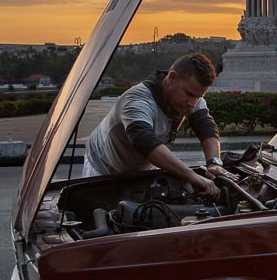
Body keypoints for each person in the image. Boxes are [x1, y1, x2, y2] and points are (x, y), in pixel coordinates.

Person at [83, 52, 227, 199]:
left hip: (143, 166)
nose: (192, 103)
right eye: (189, 94)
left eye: (199, 97)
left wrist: (214, 163)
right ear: (171, 78)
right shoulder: (138, 101)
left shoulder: (191, 96)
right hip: (104, 168)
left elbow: (205, 125)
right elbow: (144, 141)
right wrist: (193, 176)